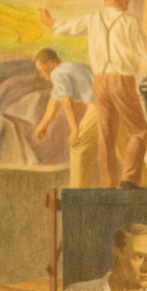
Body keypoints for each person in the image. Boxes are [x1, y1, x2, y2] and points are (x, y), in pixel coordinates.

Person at [71, 0, 147, 186]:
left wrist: (51, 23)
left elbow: (68, 27)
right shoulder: (129, 22)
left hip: (100, 83)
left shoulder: (93, 18)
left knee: (106, 136)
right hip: (121, 81)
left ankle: (108, 184)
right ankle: (129, 178)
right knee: (139, 130)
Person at [35, 47, 110, 188]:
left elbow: (66, 101)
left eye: (42, 69)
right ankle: (144, 182)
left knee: (78, 144)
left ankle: (78, 192)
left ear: (51, 64)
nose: (41, 73)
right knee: (121, 143)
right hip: (114, 101)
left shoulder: (57, 73)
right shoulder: (69, 68)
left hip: (99, 105)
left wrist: (75, 130)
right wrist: (42, 126)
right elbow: (54, 101)